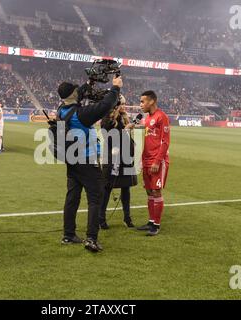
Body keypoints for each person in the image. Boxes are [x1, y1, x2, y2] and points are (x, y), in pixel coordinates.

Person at [58, 76, 123, 252]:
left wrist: (89, 82)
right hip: (87, 161)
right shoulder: (82, 114)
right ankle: (91, 238)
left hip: (72, 160)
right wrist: (115, 88)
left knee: (72, 197)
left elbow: (76, 94)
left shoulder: (62, 110)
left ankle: (68, 234)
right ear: (73, 94)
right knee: (95, 199)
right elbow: (104, 106)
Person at [99, 94, 137, 229]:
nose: (124, 106)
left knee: (126, 189)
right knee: (107, 189)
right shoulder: (106, 119)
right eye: (122, 104)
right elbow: (109, 139)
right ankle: (101, 219)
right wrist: (125, 131)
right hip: (112, 159)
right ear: (115, 105)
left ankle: (127, 218)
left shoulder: (123, 118)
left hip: (125, 158)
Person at [137, 91, 170, 236]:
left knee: (156, 191)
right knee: (149, 191)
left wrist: (157, 161)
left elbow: (165, 141)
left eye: (142, 101)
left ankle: (156, 225)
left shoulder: (161, 117)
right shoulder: (147, 118)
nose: (141, 105)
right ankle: (151, 221)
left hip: (157, 161)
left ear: (152, 101)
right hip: (147, 160)